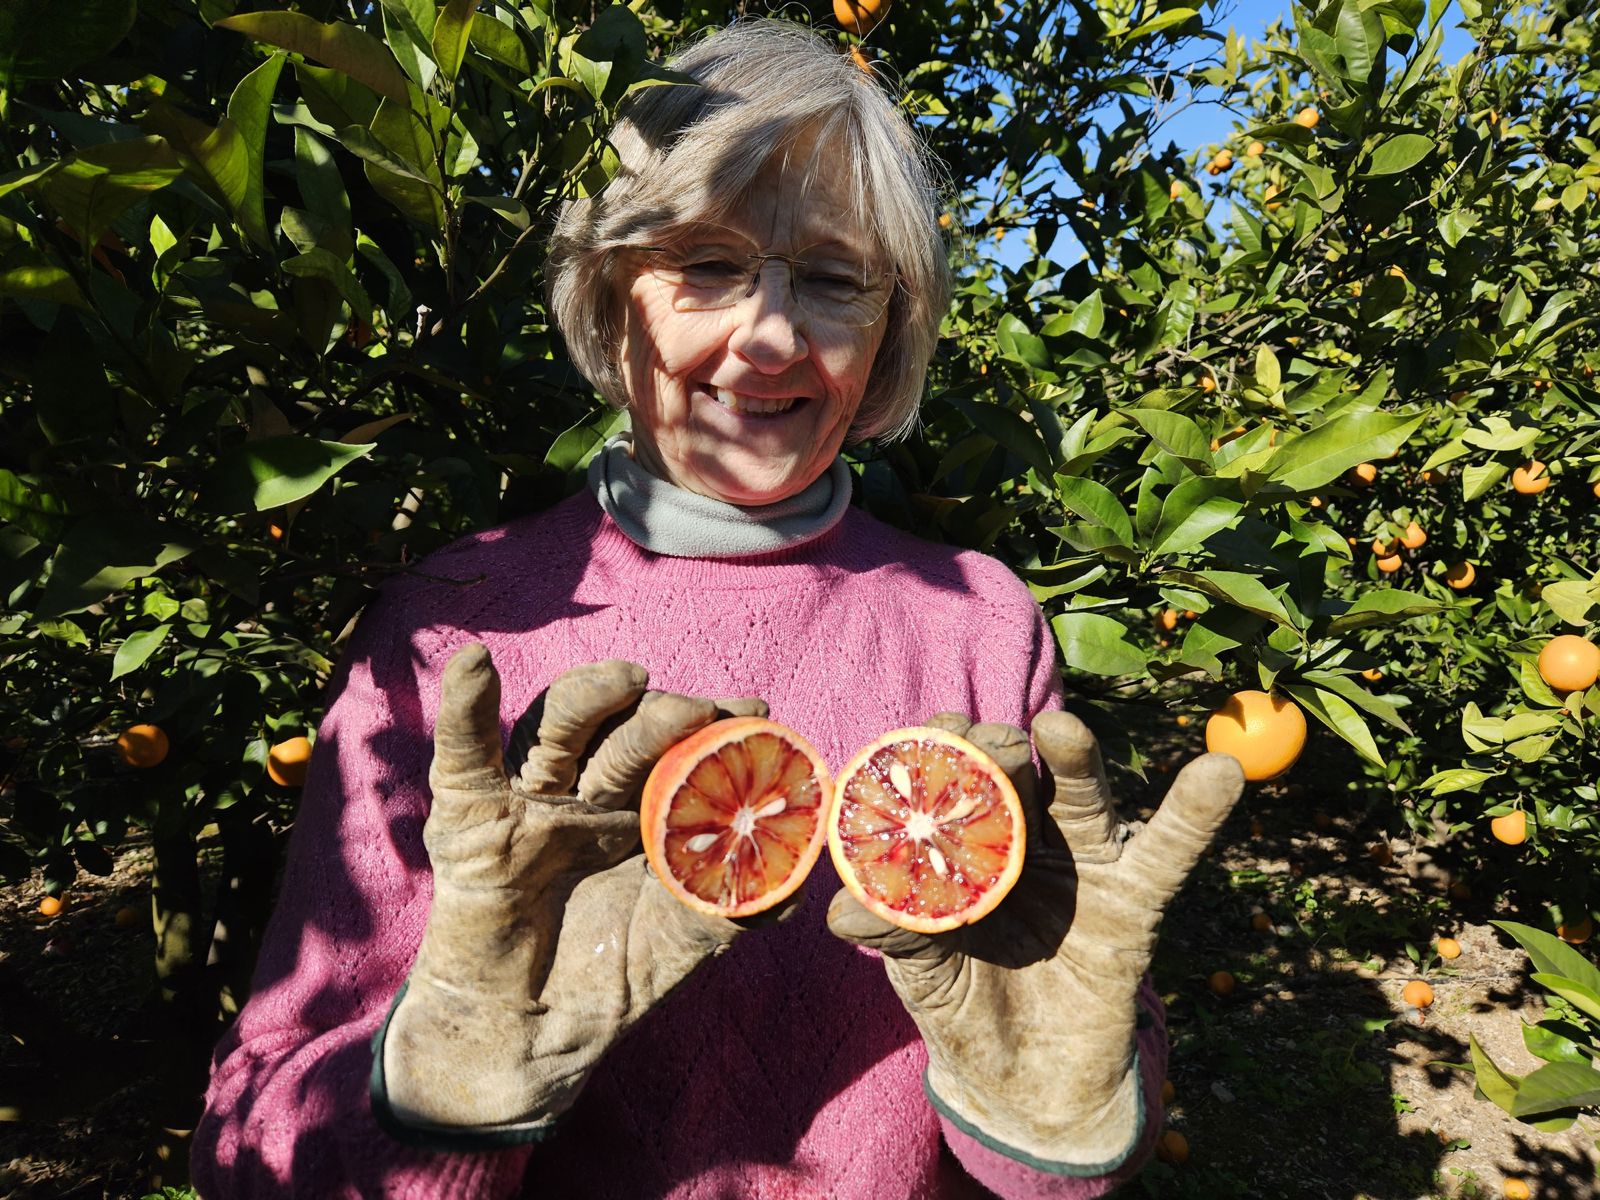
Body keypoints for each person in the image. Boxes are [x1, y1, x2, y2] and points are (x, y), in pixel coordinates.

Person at [191, 19, 1243, 1198]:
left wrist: (1055, 1110)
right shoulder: (456, 628)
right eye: (707, 263)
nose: (773, 335)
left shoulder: (979, 625)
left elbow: (1065, 1065)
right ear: (607, 287)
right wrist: (442, 1082)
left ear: (888, 327)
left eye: (837, 279)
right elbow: (252, 1144)